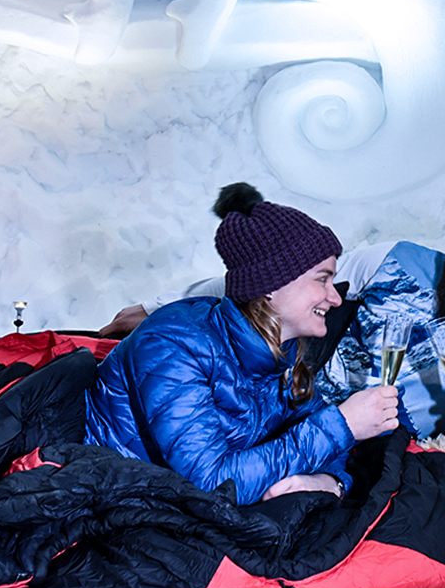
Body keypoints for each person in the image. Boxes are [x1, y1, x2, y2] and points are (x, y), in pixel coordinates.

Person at [104, 183, 445, 465]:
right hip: (291, 418)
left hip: (393, 469)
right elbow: (286, 279)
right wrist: (160, 305)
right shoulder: (397, 262)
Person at [83, 183, 401, 505]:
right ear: (270, 285)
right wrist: (341, 424)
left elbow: (331, 443)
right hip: (116, 493)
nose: (335, 298)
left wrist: (328, 482)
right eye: (322, 279)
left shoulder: (285, 354)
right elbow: (210, 484)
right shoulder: (173, 346)